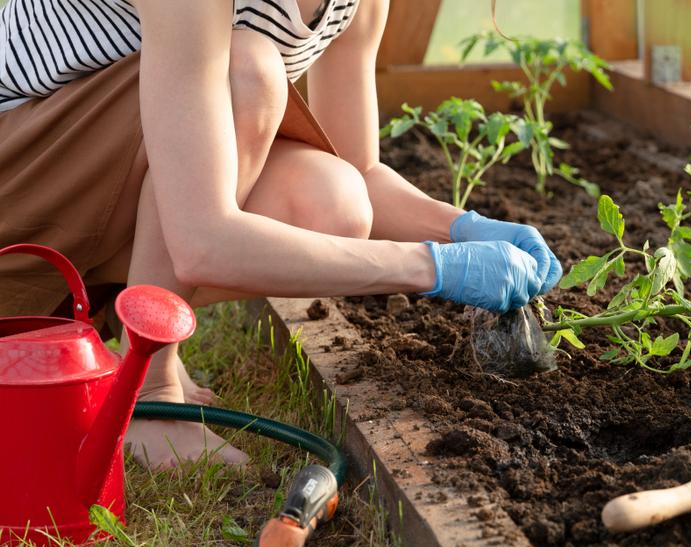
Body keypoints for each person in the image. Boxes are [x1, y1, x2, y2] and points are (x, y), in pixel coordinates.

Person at [0, 0, 561, 469]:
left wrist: (463, 229)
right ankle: (148, 392)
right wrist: (433, 268)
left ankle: (101, 318)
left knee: (333, 203)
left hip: (85, 191)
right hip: (18, 188)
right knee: (247, 67)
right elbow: (202, 240)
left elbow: (361, 169)